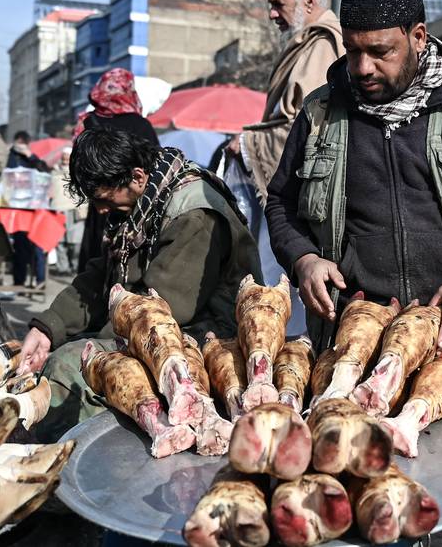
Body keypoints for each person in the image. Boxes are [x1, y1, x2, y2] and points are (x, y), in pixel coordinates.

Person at [265, 0, 442, 546]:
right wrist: (304, 260)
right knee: (372, 517)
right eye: (355, 52)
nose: (362, 68)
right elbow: (280, 206)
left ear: (417, 35)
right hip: (355, 357)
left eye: (380, 52)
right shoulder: (320, 113)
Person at [17, 128, 261, 441]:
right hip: (155, 320)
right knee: (65, 349)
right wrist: (47, 328)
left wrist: (88, 352)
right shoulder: (141, 207)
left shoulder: (195, 214)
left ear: (136, 177)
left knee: (68, 368)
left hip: (206, 335)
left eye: (104, 200)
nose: (101, 210)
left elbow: (158, 311)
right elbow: (100, 278)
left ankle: (63, 464)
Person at [234, 0, 343, 201]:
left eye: (278, 4)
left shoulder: (323, 45)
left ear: (309, 1)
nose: (272, 14)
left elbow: (307, 127)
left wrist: (245, 143)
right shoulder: (308, 43)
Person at [76, 69, 160, 273]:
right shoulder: (140, 124)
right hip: (135, 207)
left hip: (100, 205)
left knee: (97, 263)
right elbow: (156, 166)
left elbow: (78, 166)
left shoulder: (87, 122)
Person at [6, 131, 50, 288]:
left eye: (24, 143)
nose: (21, 146)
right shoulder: (8, 157)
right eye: (19, 142)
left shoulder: (31, 157)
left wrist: (30, 155)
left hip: (33, 207)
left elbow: (44, 170)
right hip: (15, 208)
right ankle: (19, 281)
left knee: (38, 246)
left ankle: (40, 280)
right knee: (19, 246)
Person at [50, 147, 87, 274]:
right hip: (58, 211)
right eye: (63, 158)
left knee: (75, 242)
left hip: (75, 211)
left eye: (67, 158)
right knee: (60, 242)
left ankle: (75, 266)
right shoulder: (54, 173)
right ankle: (62, 268)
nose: (65, 161)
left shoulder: (80, 172)